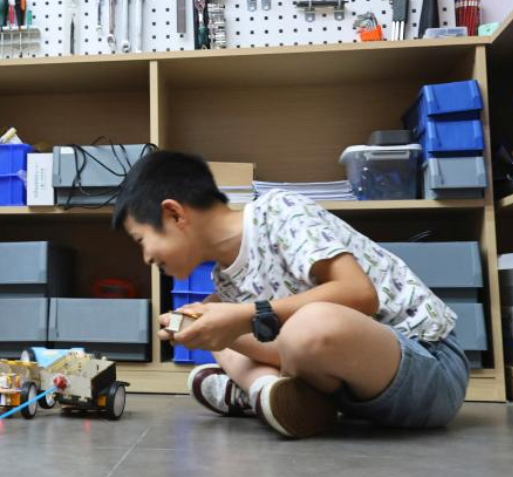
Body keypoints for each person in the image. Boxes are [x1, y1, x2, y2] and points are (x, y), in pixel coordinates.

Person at [113, 151, 469, 439]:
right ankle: (268, 391)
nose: (146, 258)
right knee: (210, 318)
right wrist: (218, 325)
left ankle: (251, 391)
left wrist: (244, 316)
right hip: (351, 392)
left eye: (141, 240)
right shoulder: (225, 281)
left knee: (306, 322)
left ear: (174, 214)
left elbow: (360, 295)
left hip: (428, 366)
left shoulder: (278, 211)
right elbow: (288, 347)